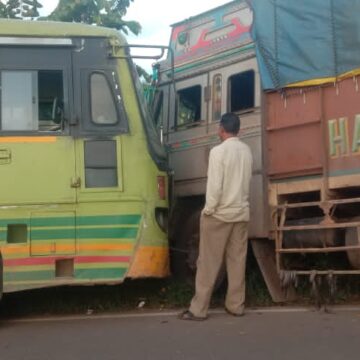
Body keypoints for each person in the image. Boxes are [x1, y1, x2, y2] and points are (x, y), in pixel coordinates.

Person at [179, 112, 253, 321]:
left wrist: (208, 210)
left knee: (208, 263)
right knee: (237, 262)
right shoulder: (246, 151)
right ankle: (236, 305)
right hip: (241, 214)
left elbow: (214, 187)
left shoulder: (217, 152)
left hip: (219, 214)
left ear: (221, 129)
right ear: (239, 130)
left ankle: (199, 309)